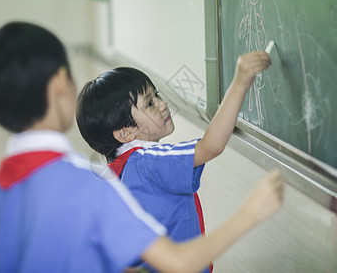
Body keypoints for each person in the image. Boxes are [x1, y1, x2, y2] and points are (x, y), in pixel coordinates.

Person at [0, 21, 283, 273]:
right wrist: (250, 213)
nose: (161, 105)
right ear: (60, 85)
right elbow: (178, 263)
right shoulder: (86, 184)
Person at [77, 52, 273, 272]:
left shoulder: (117, 170)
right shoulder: (148, 161)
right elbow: (211, 146)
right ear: (124, 133)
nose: (161, 105)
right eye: (149, 103)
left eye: (157, 95)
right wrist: (240, 83)